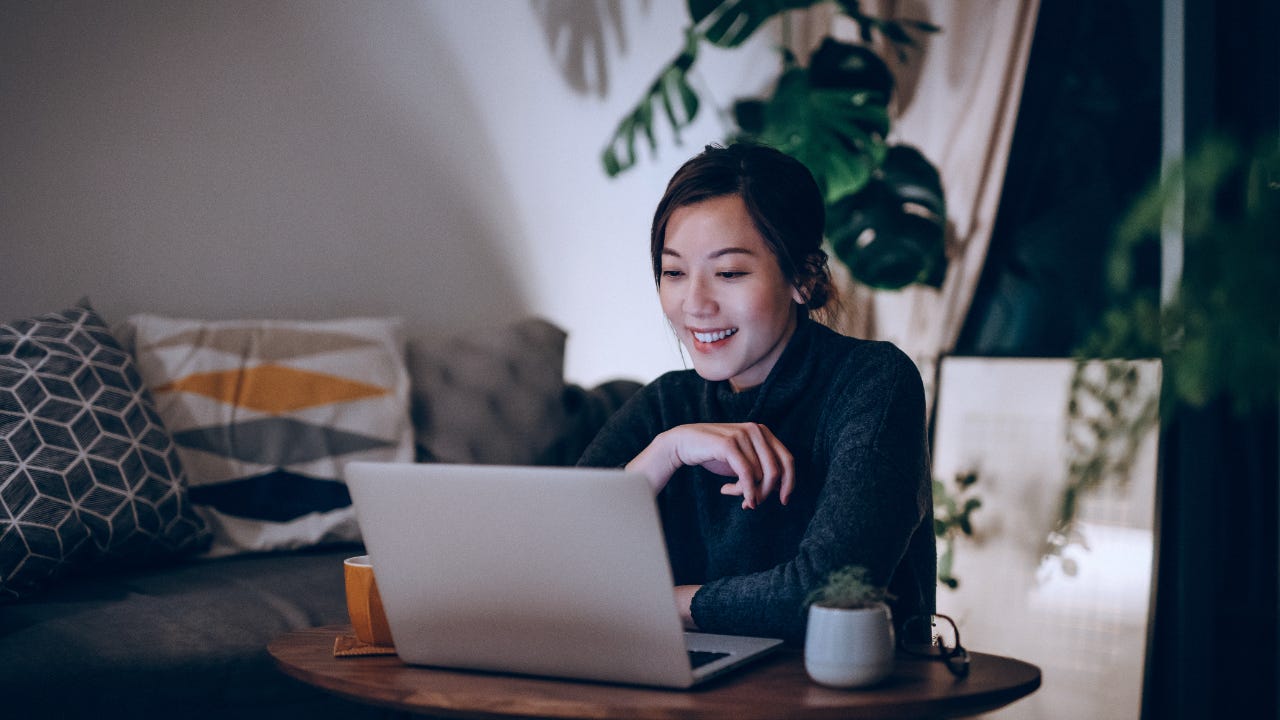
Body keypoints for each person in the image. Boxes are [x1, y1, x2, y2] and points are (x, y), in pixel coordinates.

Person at [578, 142, 935, 643]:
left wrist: (656, 602)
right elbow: (557, 562)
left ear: (804, 278)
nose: (695, 304)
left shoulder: (873, 383)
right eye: (674, 272)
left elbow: (830, 594)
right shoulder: (666, 406)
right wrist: (668, 452)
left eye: (729, 273)